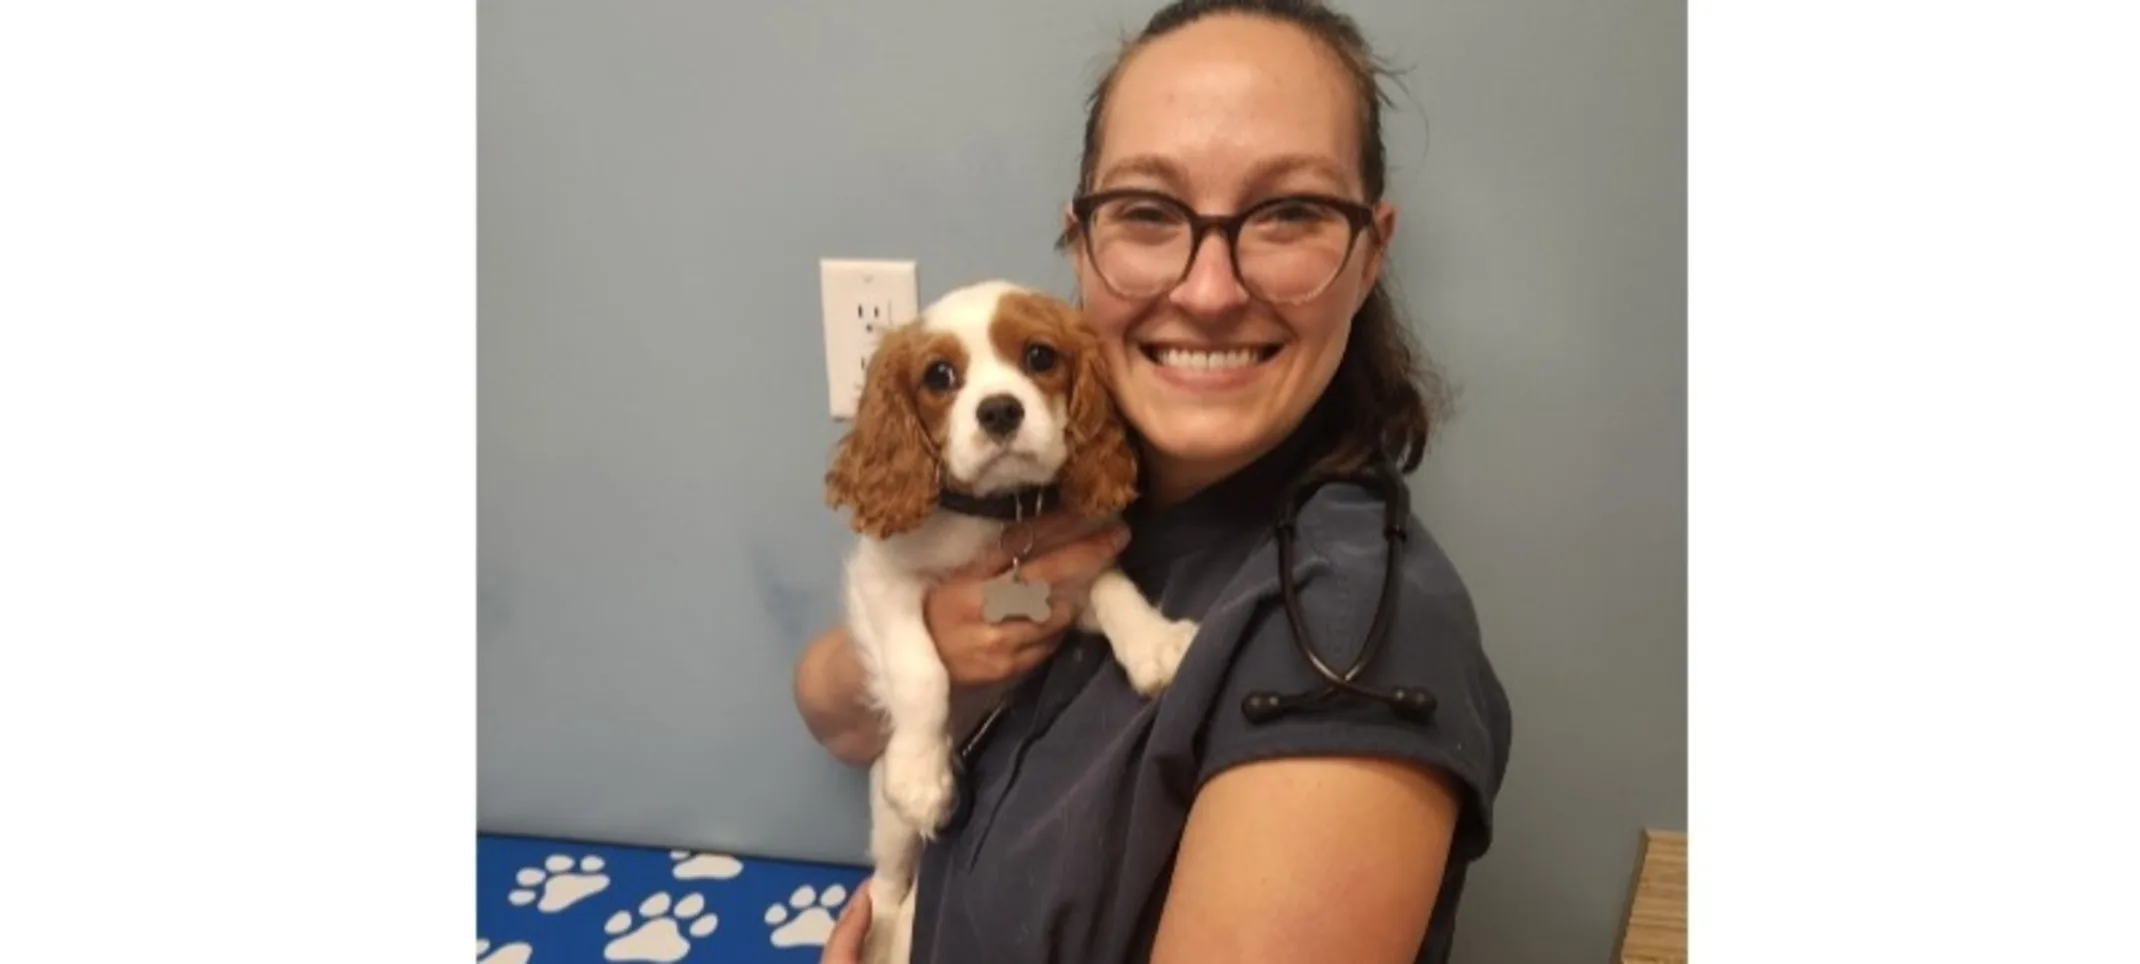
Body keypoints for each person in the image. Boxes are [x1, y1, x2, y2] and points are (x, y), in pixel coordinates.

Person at [793, 1, 1513, 960]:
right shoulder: (1084, 503)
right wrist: (927, 652)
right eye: (1146, 211)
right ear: (1082, 241)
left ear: (1370, 249)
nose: (1209, 290)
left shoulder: (1343, 647)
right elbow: (830, 708)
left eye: (1289, 211)